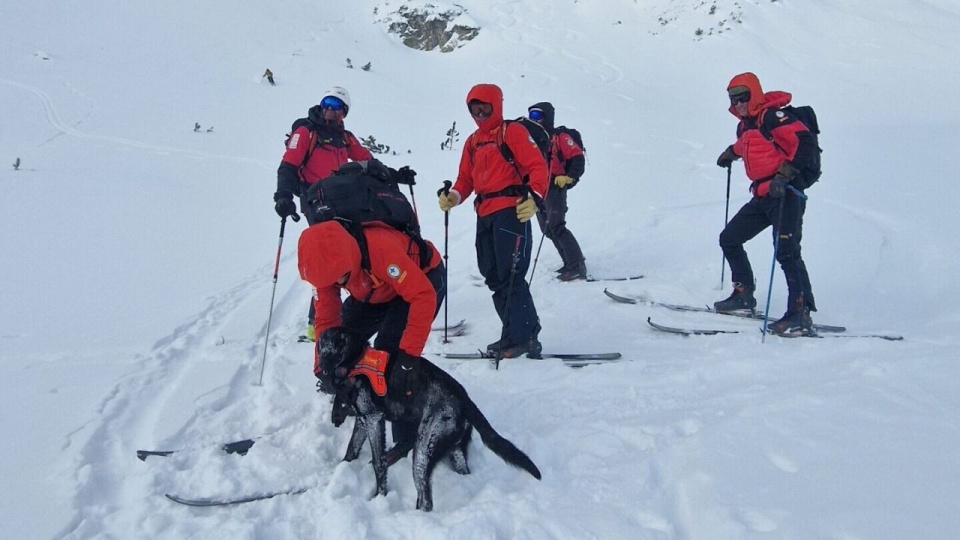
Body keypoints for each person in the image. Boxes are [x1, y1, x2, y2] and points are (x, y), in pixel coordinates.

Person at [298, 220, 445, 460]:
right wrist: (324, 365)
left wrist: (408, 356)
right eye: (335, 282)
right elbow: (327, 320)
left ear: (349, 257)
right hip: (374, 291)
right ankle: (358, 398)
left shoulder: (380, 249)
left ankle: (407, 430)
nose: (339, 285)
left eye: (342, 278)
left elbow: (422, 295)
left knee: (390, 355)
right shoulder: (324, 267)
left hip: (422, 280)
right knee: (345, 344)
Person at [438, 83, 549, 358]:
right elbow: (465, 179)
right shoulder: (473, 141)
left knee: (511, 275)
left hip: (512, 211)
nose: (479, 112)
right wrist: (453, 195)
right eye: (474, 108)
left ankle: (523, 337)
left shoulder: (512, 132)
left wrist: (534, 197)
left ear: (496, 105)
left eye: (484, 107)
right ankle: (515, 333)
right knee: (493, 274)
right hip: (484, 212)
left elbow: (537, 165)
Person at [714, 72, 818, 335]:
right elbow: (749, 144)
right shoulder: (747, 124)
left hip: (786, 194)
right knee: (729, 238)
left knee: (786, 251)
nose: (737, 103)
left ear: (754, 94)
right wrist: (731, 153)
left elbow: (804, 142)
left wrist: (786, 174)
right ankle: (744, 294)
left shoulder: (773, 117)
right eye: (733, 99)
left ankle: (799, 313)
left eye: (742, 97)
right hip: (762, 195)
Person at [274, 86, 374, 341]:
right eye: (327, 103)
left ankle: (335, 315)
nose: (330, 108)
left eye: (337, 105)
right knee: (330, 254)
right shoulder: (306, 131)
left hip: (340, 199)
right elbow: (288, 165)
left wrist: (391, 174)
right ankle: (318, 323)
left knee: (352, 250)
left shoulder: (345, 137)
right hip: (314, 198)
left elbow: (365, 160)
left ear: (344, 112)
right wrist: (283, 196)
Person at [527, 102, 587, 281]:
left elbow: (577, 158)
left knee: (557, 226)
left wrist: (570, 177)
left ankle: (576, 265)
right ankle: (569, 263)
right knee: (547, 229)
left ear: (547, 116)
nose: (534, 120)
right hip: (538, 187)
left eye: (538, 116)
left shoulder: (559, 137)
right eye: (531, 116)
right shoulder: (533, 138)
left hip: (555, 186)